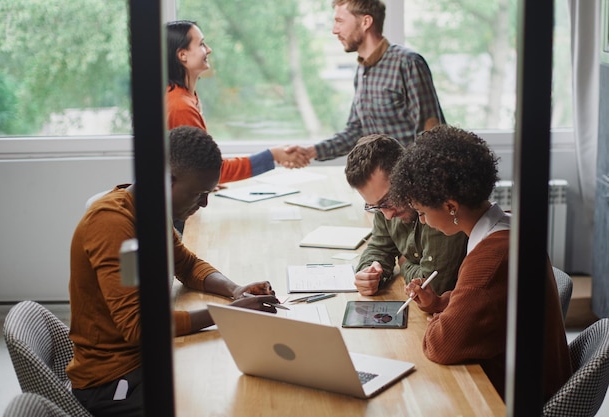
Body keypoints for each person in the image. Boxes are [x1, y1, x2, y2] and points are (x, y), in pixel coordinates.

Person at [67, 126, 280, 417]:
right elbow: (138, 328)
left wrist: (234, 290)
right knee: (225, 399)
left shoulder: (149, 210)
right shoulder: (112, 223)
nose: (204, 203)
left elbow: (187, 265)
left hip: (143, 361)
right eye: (199, 193)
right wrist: (229, 314)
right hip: (112, 382)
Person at [388, 125, 572, 401]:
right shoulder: (507, 225)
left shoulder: (492, 259)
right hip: (529, 378)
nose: (422, 221)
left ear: (451, 207)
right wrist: (440, 303)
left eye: (422, 212)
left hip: (518, 399)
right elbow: (490, 304)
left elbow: (441, 345)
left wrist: (441, 320)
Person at [292, 0, 445, 163]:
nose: (334, 30)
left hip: (410, 181)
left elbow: (431, 137)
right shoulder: (361, 71)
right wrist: (310, 152)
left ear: (366, 22)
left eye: (340, 21)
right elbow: (356, 132)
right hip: (380, 181)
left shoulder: (407, 63)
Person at [166, 19, 309, 181]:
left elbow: (199, 168)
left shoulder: (185, 98)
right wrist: (273, 155)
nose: (209, 50)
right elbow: (212, 170)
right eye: (201, 44)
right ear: (182, 55)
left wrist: (203, 184)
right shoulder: (180, 106)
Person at [344, 133, 467, 296]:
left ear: (405, 174)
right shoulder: (384, 204)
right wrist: (369, 273)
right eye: (375, 207)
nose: (387, 215)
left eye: (388, 200)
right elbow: (380, 247)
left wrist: (402, 263)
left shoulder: (439, 209)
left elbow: (433, 286)